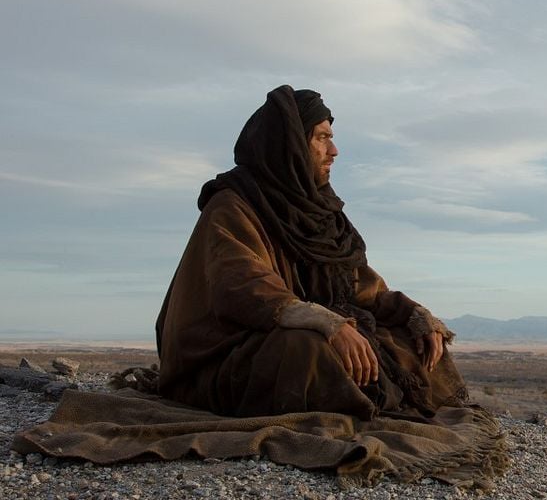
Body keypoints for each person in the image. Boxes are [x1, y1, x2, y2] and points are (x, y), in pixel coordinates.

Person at [155, 85, 467, 419]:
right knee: (306, 349)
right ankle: (356, 406)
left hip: (300, 329)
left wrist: (414, 314)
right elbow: (242, 284)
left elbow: (361, 287)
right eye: (321, 138)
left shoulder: (319, 211)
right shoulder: (232, 206)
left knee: (414, 342)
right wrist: (326, 322)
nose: (334, 151)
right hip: (226, 351)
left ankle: (370, 400)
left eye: (331, 138)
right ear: (290, 144)